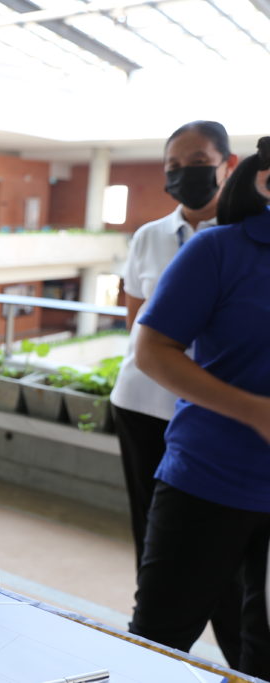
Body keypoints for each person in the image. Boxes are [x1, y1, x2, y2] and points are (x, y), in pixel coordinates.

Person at [128, 139, 270, 678]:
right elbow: (151, 350)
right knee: (158, 642)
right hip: (208, 479)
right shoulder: (220, 249)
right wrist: (255, 412)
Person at [109, 121, 243, 663]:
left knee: (223, 544)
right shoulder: (149, 236)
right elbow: (136, 325)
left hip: (213, 416)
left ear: (228, 165)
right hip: (143, 405)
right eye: (174, 166)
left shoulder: (243, 237)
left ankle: (234, 647)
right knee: (155, 534)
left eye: (200, 162)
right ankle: (158, 636)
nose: (186, 174)